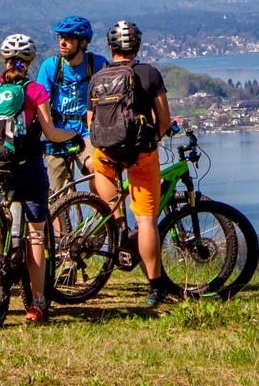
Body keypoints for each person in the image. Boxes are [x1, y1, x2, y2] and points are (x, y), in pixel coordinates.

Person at [0, 32, 77, 324]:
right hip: (28, 167)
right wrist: (74, 134)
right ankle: (38, 303)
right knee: (36, 234)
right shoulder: (35, 91)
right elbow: (52, 133)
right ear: (29, 62)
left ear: (3, 60)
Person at [85, 19, 172, 307]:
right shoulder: (149, 74)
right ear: (138, 46)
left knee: (102, 170)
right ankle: (156, 286)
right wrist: (153, 140)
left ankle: (119, 228)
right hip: (140, 154)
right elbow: (164, 120)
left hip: (107, 153)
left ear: (110, 47)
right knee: (147, 220)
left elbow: (91, 122)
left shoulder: (98, 77)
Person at [33, 14, 106, 195]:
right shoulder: (51, 67)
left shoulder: (96, 64)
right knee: (58, 193)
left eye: (68, 38)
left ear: (82, 42)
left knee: (96, 168)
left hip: (87, 131)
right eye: (61, 38)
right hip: (58, 132)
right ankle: (62, 222)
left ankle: (101, 216)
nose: (62, 43)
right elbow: (39, 104)